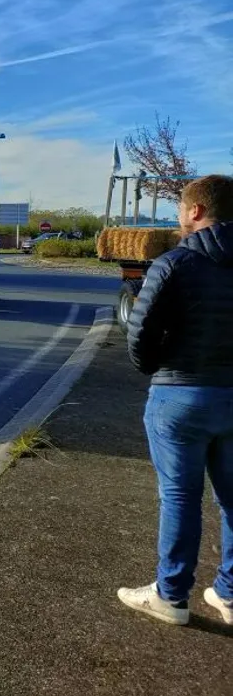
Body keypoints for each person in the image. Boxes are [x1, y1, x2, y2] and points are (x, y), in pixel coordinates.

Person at [119, 174, 233, 626]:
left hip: (180, 394)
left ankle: (171, 596)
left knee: (180, 497)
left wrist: (155, 367)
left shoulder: (175, 263)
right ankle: (228, 593)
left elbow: (139, 335)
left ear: (197, 212)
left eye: (181, 210)